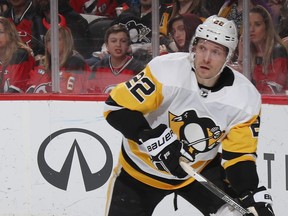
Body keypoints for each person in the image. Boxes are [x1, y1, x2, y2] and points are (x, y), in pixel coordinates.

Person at [103, 15, 275, 216]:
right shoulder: (166, 69)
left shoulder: (245, 98)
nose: (206, 58)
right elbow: (115, 107)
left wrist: (250, 192)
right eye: (202, 48)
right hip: (139, 172)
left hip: (197, 172)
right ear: (194, 47)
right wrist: (148, 135)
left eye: (216, 52)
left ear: (228, 57)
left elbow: (239, 157)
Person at [236, 5, 288, 94]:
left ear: (267, 28)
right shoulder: (249, 52)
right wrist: (241, 54)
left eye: (257, 24)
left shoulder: (278, 51)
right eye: (248, 25)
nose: (251, 29)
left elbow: (271, 91)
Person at [26, 26, 90, 93]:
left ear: (66, 41)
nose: (52, 43)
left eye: (57, 39)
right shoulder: (41, 66)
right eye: (49, 40)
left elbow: (73, 97)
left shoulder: (76, 64)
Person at [87, 24, 144, 94]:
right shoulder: (99, 67)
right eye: (113, 41)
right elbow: (91, 94)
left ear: (128, 45)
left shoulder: (138, 69)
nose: (118, 45)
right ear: (107, 45)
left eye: (123, 41)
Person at [0, 16, 35, 93]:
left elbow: (15, 90)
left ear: (10, 34)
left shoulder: (19, 55)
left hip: (19, 103)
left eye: (0, 32)